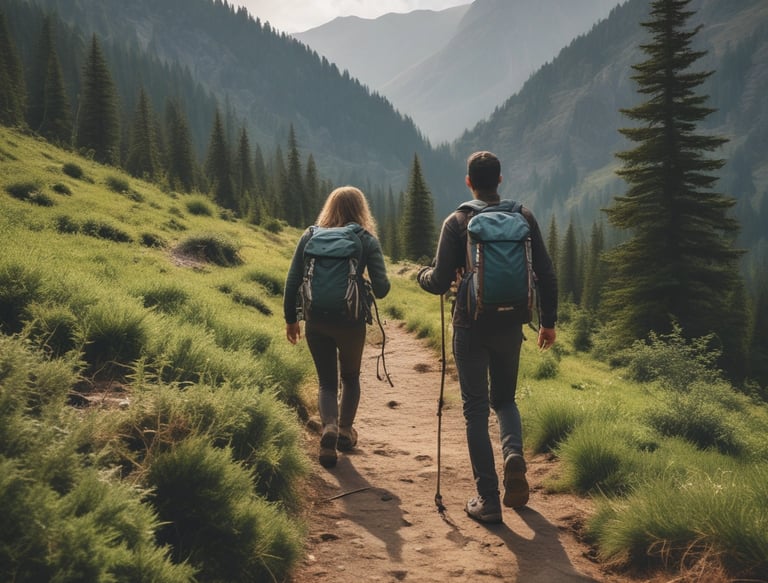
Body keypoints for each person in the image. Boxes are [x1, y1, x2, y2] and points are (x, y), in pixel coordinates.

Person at [417, 151, 557, 523]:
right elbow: (546, 271)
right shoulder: (523, 217)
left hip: (469, 326)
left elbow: (438, 281)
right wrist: (548, 323)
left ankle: (489, 499)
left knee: (475, 411)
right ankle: (513, 454)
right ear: (500, 180)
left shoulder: (458, 220)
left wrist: (421, 276)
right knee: (505, 401)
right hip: (511, 326)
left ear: (468, 181)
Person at [284, 186, 390, 468]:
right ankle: (344, 431)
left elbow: (292, 280)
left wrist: (291, 319)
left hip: (315, 319)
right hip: (351, 321)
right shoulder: (365, 239)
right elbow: (382, 289)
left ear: (329, 208)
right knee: (351, 377)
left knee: (327, 382)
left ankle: (328, 427)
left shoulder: (310, 235)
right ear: (361, 210)